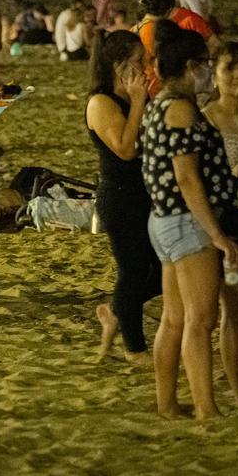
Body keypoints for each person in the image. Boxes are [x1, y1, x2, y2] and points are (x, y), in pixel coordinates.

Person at [143, 21, 238, 421]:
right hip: (187, 222)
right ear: (187, 67)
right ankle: (205, 407)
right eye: (204, 63)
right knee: (201, 321)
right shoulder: (182, 110)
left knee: (175, 318)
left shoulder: (159, 105)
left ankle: (168, 404)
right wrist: (217, 234)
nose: (207, 70)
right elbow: (186, 176)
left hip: (165, 221)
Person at [87, 31, 161, 367]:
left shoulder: (135, 99)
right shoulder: (101, 103)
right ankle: (134, 348)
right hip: (119, 197)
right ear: (119, 66)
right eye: (139, 62)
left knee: (160, 270)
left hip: (145, 193)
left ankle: (115, 310)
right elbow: (126, 148)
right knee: (132, 272)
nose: (146, 68)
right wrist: (137, 103)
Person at [202, 41, 238, 411]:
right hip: (229, 223)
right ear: (214, 72)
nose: (236, 77)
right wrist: (231, 175)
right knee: (234, 313)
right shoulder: (207, 118)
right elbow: (196, 177)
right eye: (229, 69)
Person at [136, 0, 222, 98]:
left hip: (181, 88)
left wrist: (200, 65)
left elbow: (215, 44)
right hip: (158, 90)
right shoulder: (149, 27)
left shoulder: (188, 19)